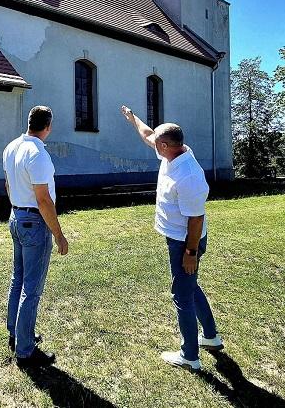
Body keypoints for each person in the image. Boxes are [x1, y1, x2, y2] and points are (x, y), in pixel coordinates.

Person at [120, 105, 224, 371]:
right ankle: (210, 337)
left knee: (182, 295)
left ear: (166, 145)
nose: (153, 144)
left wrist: (190, 254)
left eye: (158, 143)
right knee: (190, 287)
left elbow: (196, 219)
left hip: (185, 242)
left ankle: (190, 356)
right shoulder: (172, 154)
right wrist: (133, 119)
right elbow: (147, 135)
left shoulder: (188, 175)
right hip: (178, 238)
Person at [3, 105, 69, 368]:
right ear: (48, 126)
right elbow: (43, 199)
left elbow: (8, 184)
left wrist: (18, 208)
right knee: (31, 288)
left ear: (29, 122)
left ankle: (16, 333)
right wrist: (59, 235)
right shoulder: (38, 154)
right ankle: (25, 350)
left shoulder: (12, 147)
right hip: (34, 222)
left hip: (16, 217)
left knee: (17, 279)